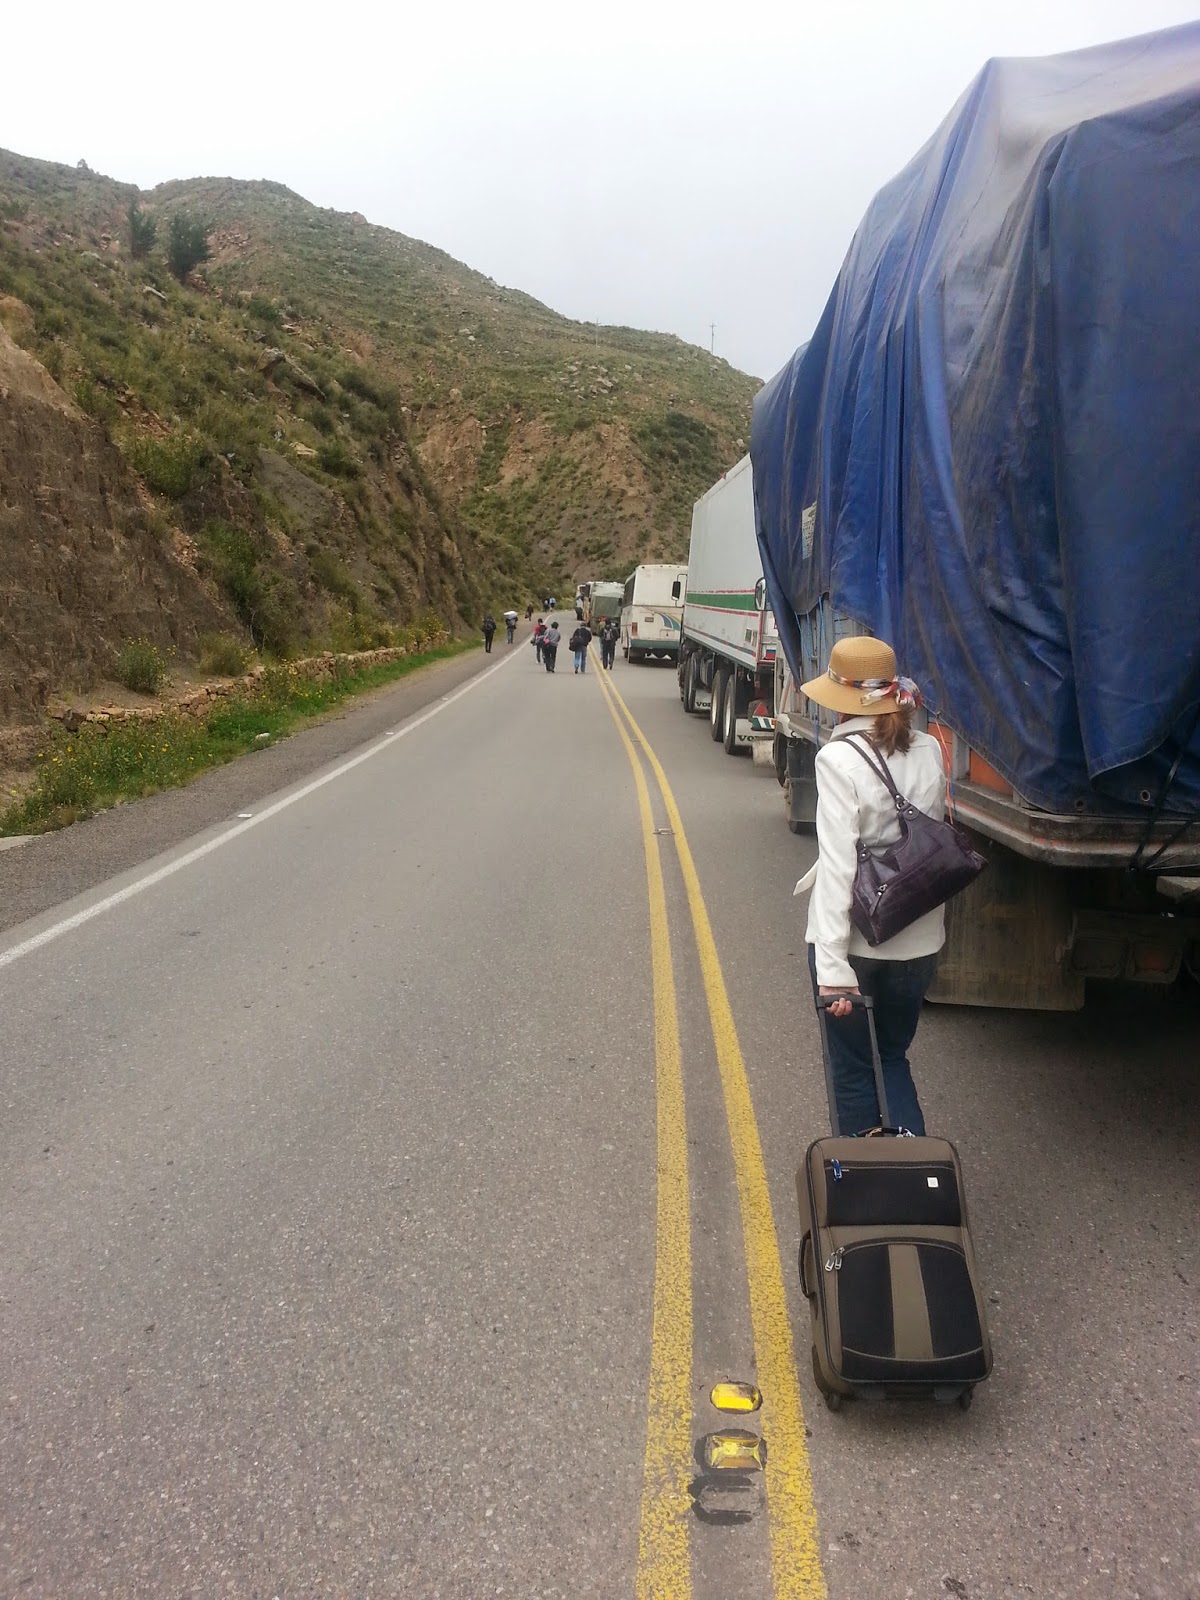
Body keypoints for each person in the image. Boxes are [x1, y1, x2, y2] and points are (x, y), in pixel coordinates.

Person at [796, 635, 946, 1137]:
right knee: (893, 1057)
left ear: (841, 701)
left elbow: (840, 866)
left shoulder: (837, 759)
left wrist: (833, 969)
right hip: (918, 942)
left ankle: (863, 1179)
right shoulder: (929, 749)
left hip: (859, 943)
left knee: (854, 1070)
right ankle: (918, 1173)